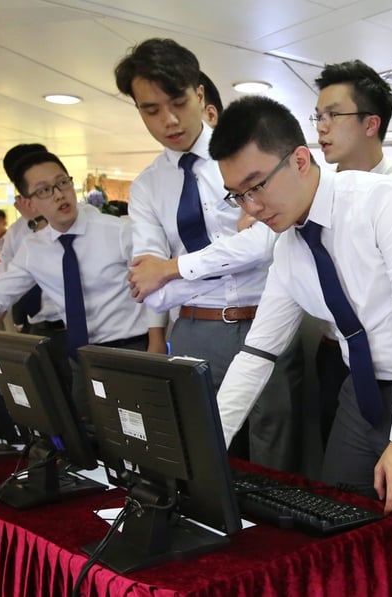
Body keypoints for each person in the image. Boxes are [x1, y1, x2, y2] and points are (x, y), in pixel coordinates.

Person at [210, 95, 392, 516]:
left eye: (257, 186)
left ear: (299, 160)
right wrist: (208, 444)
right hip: (360, 393)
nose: (252, 208)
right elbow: (258, 352)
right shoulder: (290, 248)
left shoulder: (384, 203)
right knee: (336, 518)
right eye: (237, 196)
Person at [114, 38, 301, 469]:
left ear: (200, 94)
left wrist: (173, 269)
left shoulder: (245, 157)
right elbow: (151, 289)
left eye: (178, 101)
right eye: (151, 110)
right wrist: (225, 253)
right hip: (194, 330)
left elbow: (263, 244)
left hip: (265, 318)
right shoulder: (146, 187)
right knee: (200, 450)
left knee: (277, 451)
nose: (170, 119)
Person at [0, 150, 151, 414]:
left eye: (62, 182)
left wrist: (157, 343)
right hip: (80, 357)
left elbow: (157, 288)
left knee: (138, 441)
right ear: (29, 203)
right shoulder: (34, 248)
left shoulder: (118, 231)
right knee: (86, 435)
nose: (58, 194)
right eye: (44, 190)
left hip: (131, 351)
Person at [311, 59, 392, 447]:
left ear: (371, 124)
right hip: (335, 353)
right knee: (337, 469)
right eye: (318, 115)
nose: (321, 127)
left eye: (333, 115)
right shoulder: (316, 194)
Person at [0, 143, 67, 336]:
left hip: (79, 327)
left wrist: (39, 220)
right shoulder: (17, 233)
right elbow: (4, 290)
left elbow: (68, 262)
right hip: (38, 327)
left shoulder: (72, 216)